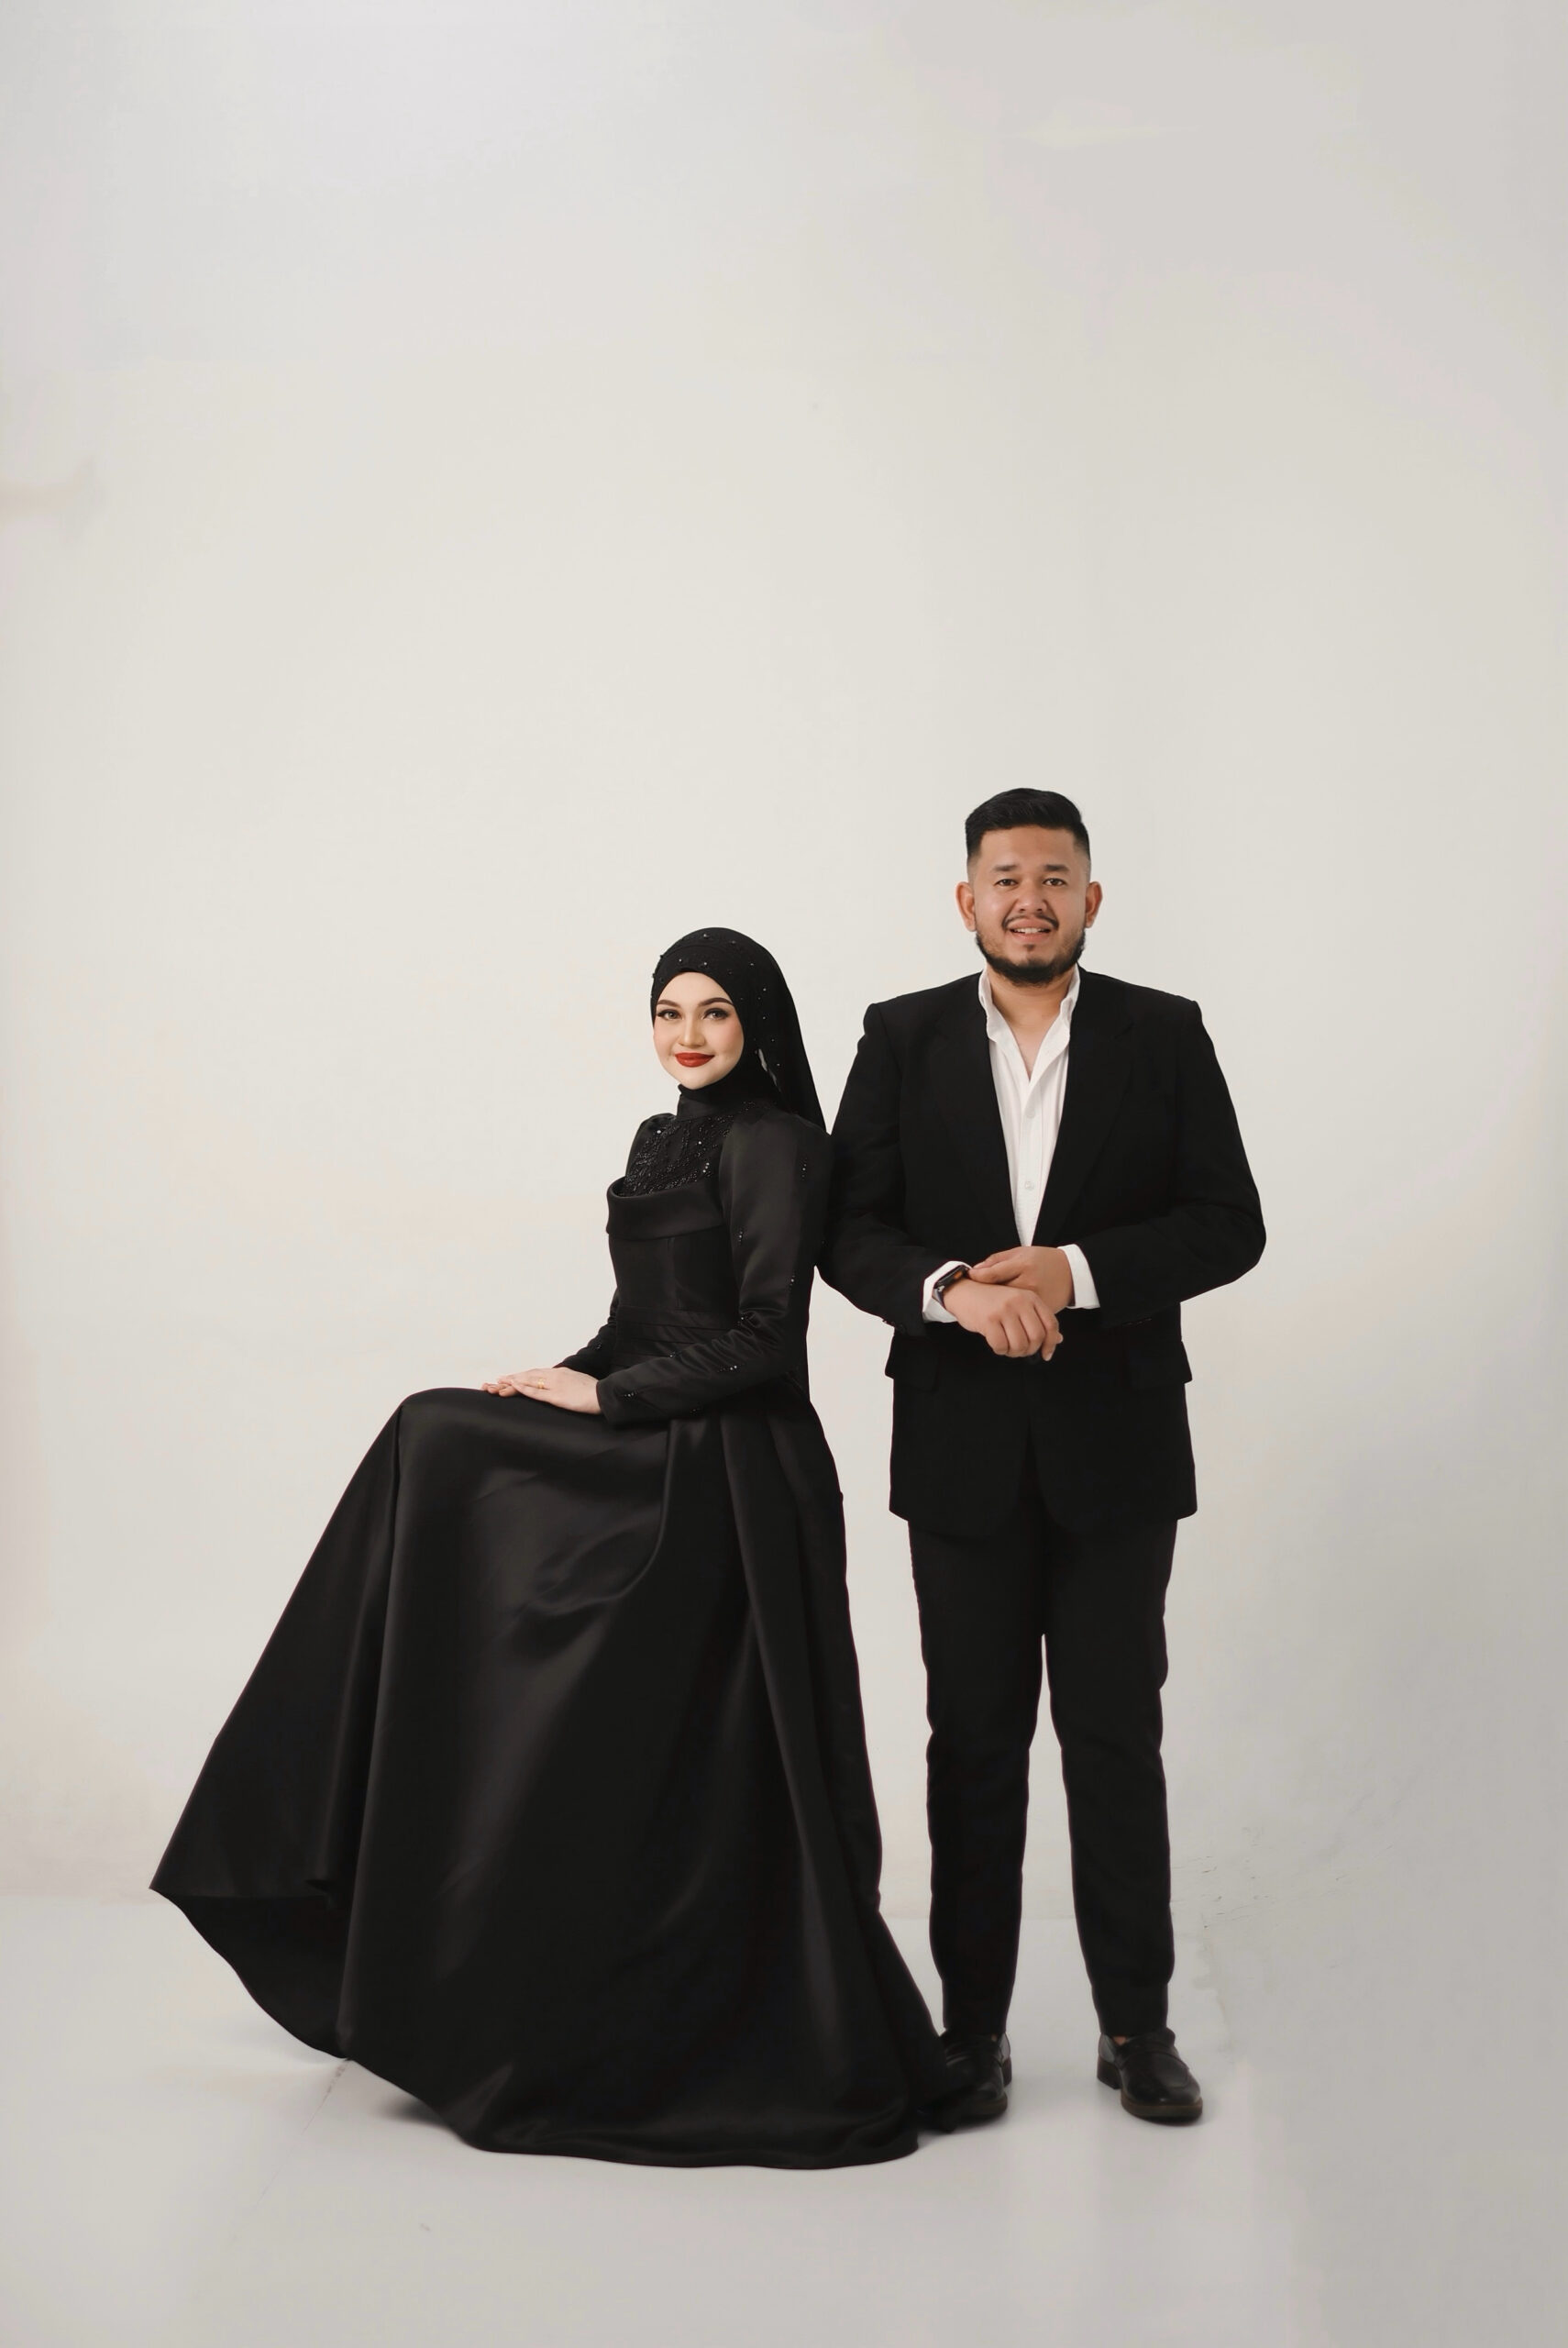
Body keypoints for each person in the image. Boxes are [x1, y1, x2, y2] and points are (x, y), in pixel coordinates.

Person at [153, 929, 954, 2167]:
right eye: (668, 1011)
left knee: (438, 1443)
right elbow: (639, 1317)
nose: (688, 1034)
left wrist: (607, 1400)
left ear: (756, 1024)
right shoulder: (658, 1136)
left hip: (732, 1468)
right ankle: (366, 1890)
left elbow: (764, 1338)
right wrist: (562, 1376)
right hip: (653, 1424)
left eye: (715, 1013)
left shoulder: (777, 1142)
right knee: (439, 1437)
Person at [822, 792, 1265, 2126]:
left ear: (1091, 899)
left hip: (1117, 1445)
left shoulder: (1163, 1033)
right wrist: (953, 1291)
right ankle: (970, 2033)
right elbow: (847, 1230)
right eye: (1006, 877)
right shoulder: (899, 1036)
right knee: (971, 1743)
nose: (1030, 899)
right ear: (966, 900)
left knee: (1114, 1737)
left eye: (1055, 877)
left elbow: (1229, 1222)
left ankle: (1137, 2028)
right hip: (957, 1446)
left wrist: (1074, 1271)